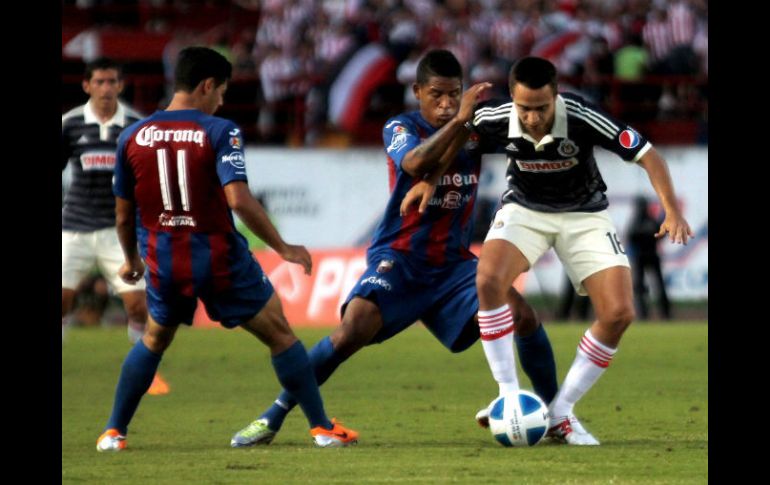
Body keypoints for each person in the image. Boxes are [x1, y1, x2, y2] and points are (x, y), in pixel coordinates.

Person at [229, 49, 558, 448]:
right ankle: (273, 415)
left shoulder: (474, 129)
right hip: (399, 259)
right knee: (352, 330)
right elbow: (416, 163)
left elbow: (532, 123)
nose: (447, 103)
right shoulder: (400, 127)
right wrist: (458, 120)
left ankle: (554, 413)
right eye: (436, 94)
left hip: (453, 267)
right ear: (417, 91)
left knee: (522, 313)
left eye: (455, 94)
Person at [95, 46, 358, 452]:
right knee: (282, 336)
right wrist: (283, 247)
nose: (221, 101)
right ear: (206, 85)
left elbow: (123, 216)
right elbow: (238, 200)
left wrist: (131, 260)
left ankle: (114, 431)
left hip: (164, 260)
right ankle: (321, 427)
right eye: (221, 91)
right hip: (219, 258)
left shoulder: (132, 135)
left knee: (152, 339)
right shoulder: (219, 131)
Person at [457, 56, 691, 445]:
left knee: (619, 313)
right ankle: (509, 396)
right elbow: (453, 149)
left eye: (542, 108)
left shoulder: (583, 116)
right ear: (513, 98)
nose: (532, 118)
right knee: (488, 281)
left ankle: (560, 413)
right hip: (524, 210)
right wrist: (429, 181)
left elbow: (648, 154)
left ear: (556, 97)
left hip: (585, 215)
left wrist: (672, 209)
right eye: (525, 108)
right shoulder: (492, 118)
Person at [62, 57, 170, 396]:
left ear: (121, 85)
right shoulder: (70, 123)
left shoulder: (136, 125)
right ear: (86, 86)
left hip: (117, 231)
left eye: (112, 82)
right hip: (75, 226)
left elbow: (150, 179)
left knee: (138, 307)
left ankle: (145, 372)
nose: (106, 88)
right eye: (100, 82)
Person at [628, 195, 671, 320]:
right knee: (654, 285)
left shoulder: (636, 221)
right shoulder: (651, 220)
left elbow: (631, 238)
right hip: (649, 256)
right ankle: (663, 313)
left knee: (644, 287)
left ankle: (646, 314)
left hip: (642, 257)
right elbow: (661, 234)